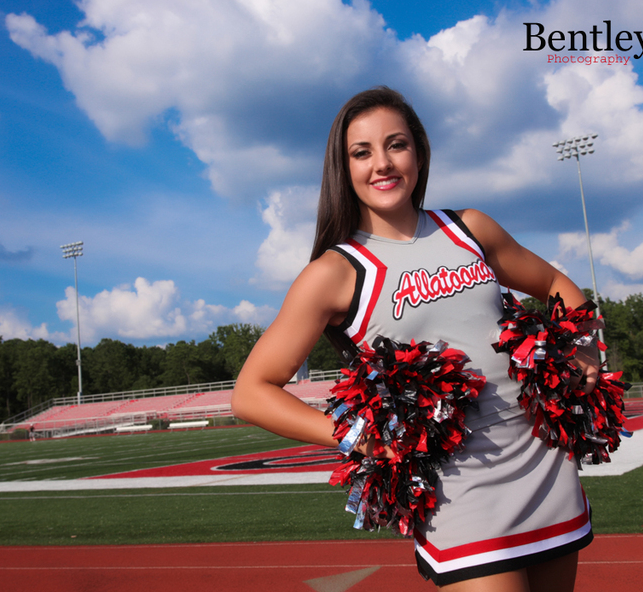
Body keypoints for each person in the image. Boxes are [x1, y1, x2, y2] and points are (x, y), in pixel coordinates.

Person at [231, 86, 599, 591]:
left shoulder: (469, 229)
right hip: (458, 492)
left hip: (544, 462)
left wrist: (582, 349)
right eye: (362, 153)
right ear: (345, 169)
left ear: (420, 153)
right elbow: (251, 392)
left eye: (396, 144)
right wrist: (357, 436)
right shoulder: (335, 272)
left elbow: (559, 286)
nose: (382, 164)